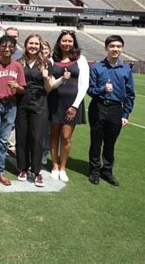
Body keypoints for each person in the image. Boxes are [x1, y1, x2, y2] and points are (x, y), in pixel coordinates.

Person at [87, 35, 135, 186]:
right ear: (106, 48)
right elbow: (90, 89)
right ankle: (94, 171)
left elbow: (130, 94)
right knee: (96, 141)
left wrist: (125, 114)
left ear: (122, 48)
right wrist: (103, 89)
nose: (115, 49)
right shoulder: (96, 68)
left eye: (118, 46)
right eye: (112, 46)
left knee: (110, 143)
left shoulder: (126, 70)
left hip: (116, 109)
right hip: (98, 107)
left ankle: (107, 170)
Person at [0, 35, 26, 188]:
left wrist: (17, 86)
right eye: (3, 46)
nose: (7, 49)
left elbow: (22, 90)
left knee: (3, 142)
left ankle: (0, 172)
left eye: (10, 46)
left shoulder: (18, 66)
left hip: (11, 105)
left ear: (14, 49)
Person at [48, 30, 89, 182]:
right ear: (59, 42)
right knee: (54, 134)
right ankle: (54, 166)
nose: (67, 43)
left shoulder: (81, 59)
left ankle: (63, 168)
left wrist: (75, 106)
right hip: (54, 102)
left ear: (74, 43)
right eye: (64, 41)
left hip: (72, 104)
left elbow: (84, 84)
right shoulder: (52, 59)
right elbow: (51, 83)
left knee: (66, 136)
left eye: (70, 41)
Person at [15, 34, 54, 187]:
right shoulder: (19, 62)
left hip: (39, 103)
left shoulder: (45, 63)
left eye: (36, 44)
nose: (33, 46)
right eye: (30, 43)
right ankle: (23, 168)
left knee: (37, 138)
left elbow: (49, 88)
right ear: (26, 44)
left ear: (39, 46)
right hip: (22, 102)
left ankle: (36, 171)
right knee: (22, 136)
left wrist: (45, 77)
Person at [5, 26, 23, 157]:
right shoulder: (0, 51)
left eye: (14, 36)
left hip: (17, 92)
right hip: (1, 92)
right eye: (9, 35)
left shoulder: (22, 53)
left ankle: (11, 145)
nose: (12, 38)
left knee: (14, 121)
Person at [41, 40, 52, 165]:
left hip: (50, 100)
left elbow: (52, 85)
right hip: (38, 99)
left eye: (46, 48)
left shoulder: (51, 63)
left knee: (46, 130)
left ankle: (44, 153)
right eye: (42, 48)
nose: (44, 51)